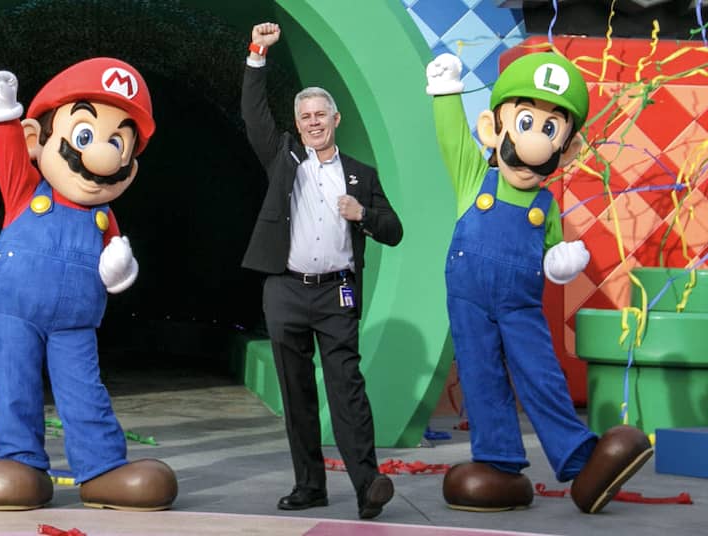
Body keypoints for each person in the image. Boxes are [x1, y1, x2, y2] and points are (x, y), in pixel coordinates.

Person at [425, 51, 652, 514]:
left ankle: (580, 460)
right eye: (526, 123)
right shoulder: (474, 177)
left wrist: (561, 261)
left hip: (520, 304)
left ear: (566, 148)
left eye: (550, 129)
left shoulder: (546, 205)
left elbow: (548, 254)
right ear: (493, 128)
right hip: (469, 301)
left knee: (540, 373)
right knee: (480, 375)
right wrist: (446, 91)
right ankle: (498, 462)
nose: (534, 145)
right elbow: (451, 137)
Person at [0, 59, 177, 512]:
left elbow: (116, 266)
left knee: (84, 390)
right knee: (14, 382)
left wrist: (119, 267)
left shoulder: (103, 217)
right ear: (36, 140)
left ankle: (102, 468)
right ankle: (17, 460)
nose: (104, 155)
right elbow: (8, 157)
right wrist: (4, 115)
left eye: (118, 143)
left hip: (76, 320)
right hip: (15, 310)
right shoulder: (27, 190)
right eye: (85, 135)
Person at [240, 22, 402, 520]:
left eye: (320, 115)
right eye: (305, 116)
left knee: (347, 389)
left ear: (336, 119)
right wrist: (257, 54)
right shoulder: (284, 156)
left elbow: (394, 230)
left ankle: (367, 486)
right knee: (297, 394)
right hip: (286, 290)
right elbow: (254, 115)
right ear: (298, 123)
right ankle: (310, 485)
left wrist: (362, 214)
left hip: (337, 295)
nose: (313, 123)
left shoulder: (361, 175)